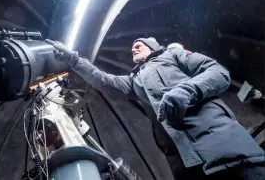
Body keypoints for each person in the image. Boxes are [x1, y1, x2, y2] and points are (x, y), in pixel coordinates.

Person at [45, 38, 264, 180]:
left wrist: (187, 90)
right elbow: (103, 81)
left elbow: (218, 73)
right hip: (189, 169)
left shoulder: (173, 55)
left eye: (138, 45)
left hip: (232, 154)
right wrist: (73, 59)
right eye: (132, 48)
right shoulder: (134, 81)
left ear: (153, 46)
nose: (133, 49)